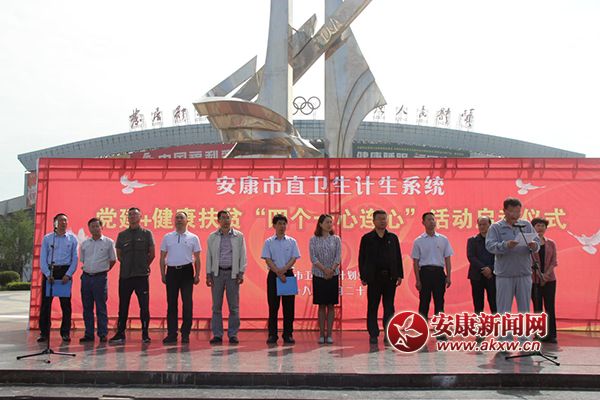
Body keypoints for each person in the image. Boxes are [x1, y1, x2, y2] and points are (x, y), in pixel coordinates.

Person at [486, 198, 539, 321]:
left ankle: (524, 333)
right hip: (505, 275)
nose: (515, 214)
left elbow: (537, 243)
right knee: (503, 310)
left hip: (524, 273)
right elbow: (489, 246)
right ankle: (505, 333)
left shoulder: (526, 225)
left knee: (524, 310)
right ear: (504, 211)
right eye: (512, 211)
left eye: (518, 211)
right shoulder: (496, 227)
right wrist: (506, 245)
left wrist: (534, 245)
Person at [110, 207, 155, 344]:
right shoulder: (122, 235)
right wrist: (128, 264)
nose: (132, 216)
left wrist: (143, 265)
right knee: (123, 306)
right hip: (125, 276)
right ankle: (120, 333)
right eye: (130, 215)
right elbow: (119, 255)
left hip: (141, 276)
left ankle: (145, 334)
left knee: (144, 306)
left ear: (140, 217)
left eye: (135, 214)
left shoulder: (147, 234)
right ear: (127, 218)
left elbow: (152, 254)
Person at [358, 210, 403, 345]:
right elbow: (362, 258)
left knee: (389, 307)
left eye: (384, 219)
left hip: (390, 278)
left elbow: (398, 257)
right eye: (380, 219)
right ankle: (373, 334)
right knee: (373, 306)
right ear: (373, 221)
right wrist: (363, 276)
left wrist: (399, 274)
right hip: (374, 278)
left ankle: (388, 333)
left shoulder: (392, 238)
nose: (383, 221)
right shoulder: (367, 238)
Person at [206, 210, 247, 345]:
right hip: (217, 274)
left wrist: (241, 272)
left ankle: (233, 334)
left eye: (228, 218)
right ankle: (217, 334)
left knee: (234, 307)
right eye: (223, 218)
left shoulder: (238, 236)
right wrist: (208, 274)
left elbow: (243, 256)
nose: (226, 220)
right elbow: (209, 256)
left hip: (232, 274)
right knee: (216, 307)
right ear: (218, 221)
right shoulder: (212, 237)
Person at [159, 211, 201, 344]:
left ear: (187, 220)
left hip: (187, 271)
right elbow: (162, 257)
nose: (179, 220)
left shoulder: (193, 237)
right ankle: (172, 333)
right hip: (172, 272)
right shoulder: (168, 237)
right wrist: (163, 274)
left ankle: (185, 333)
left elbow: (197, 258)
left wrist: (197, 274)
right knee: (172, 304)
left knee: (187, 304)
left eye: (181, 218)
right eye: (176, 218)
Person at [38, 213, 78, 343]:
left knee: (66, 305)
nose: (63, 223)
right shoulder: (48, 238)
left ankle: (65, 333)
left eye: (65, 220)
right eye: (61, 221)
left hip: (65, 272)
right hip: (50, 271)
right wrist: (47, 273)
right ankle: (44, 333)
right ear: (55, 223)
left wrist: (69, 274)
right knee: (46, 305)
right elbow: (43, 258)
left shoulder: (72, 239)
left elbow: (75, 259)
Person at [261, 214, 300, 345]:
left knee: (289, 307)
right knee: (273, 307)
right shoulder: (269, 242)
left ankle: (288, 334)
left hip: (288, 275)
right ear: (274, 226)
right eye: (279, 224)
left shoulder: (292, 241)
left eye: (284, 224)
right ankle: (272, 334)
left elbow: (294, 258)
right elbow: (267, 259)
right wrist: (278, 272)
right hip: (273, 275)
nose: (282, 226)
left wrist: (284, 270)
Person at [412, 212, 453, 331]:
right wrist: (418, 280)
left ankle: (440, 331)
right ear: (423, 222)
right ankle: (421, 330)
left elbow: (447, 259)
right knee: (424, 303)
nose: (431, 222)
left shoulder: (443, 239)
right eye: (429, 220)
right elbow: (415, 262)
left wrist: (448, 276)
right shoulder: (418, 241)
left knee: (439, 303)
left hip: (439, 273)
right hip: (425, 273)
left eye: (433, 219)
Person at [79, 218, 116, 343]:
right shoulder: (84, 244)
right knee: (87, 307)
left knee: (101, 307)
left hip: (100, 278)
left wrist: (103, 270)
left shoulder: (109, 242)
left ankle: (103, 333)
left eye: (97, 226)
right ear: (89, 229)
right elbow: (83, 260)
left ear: (101, 227)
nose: (95, 228)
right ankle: (89, 334)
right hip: (86, 278)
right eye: (92, 226)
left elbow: (113, 260)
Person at [309, 214, 342, 344]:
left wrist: (331, 270)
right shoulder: (313, 239)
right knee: (321, 305)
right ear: (320, 224)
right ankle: (321, 334)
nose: (329, 224)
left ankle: (329, 334)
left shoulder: (336, 239)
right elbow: (313, 258)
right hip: (319, 275)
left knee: (331, 305)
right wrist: (324, 270)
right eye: (327, 222)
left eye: (331, 222)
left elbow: (338, 257)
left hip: (333, 275)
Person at [531, 217, 558, 343]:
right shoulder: (530, 244)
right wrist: (539, 276)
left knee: (549, 307)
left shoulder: (551, 243)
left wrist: (545, 276)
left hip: (550, 280)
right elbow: (529, 261)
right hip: (534, 280)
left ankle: (551, 335)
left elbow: (554, 262)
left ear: (546, 228)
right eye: (538, 225)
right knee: (537, 307)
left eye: (542, 226)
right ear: (533, 228)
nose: (540, 228)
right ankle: (539, 334)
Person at [467, 216, 497, 315]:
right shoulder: (472, 240)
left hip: (492, 275)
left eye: (484, 224)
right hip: (476, 276)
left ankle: (497, 322)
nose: (482, 227)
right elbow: (471, 257)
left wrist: (490, 269)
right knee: (478, 303)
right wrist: (484, 268)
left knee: (494, 302)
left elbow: (499, 257)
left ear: (490, 225)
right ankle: (478, 323)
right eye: (480, 225)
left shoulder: (496, 241)